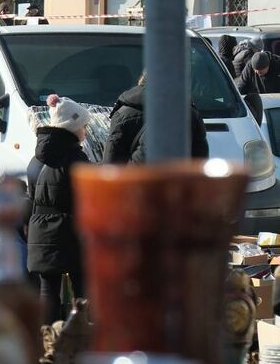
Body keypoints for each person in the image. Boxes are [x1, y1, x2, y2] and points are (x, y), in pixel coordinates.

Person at [26, 95, 90, 326]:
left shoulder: (36, 159)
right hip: (69, 230)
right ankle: (83, 337)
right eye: (83, 126)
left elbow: (31, 197)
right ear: (72, 127)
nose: (85, 131)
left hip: (39, 231)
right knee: (83, 287)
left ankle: (46, 339)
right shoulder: (76, 159)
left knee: (47, 288)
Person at [104, 73, 209, 164]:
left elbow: (112, 162)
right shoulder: (188, 113)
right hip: (176, 183)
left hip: (134, 183)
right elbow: (200, 160)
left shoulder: (122, 114)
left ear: (141, 82)